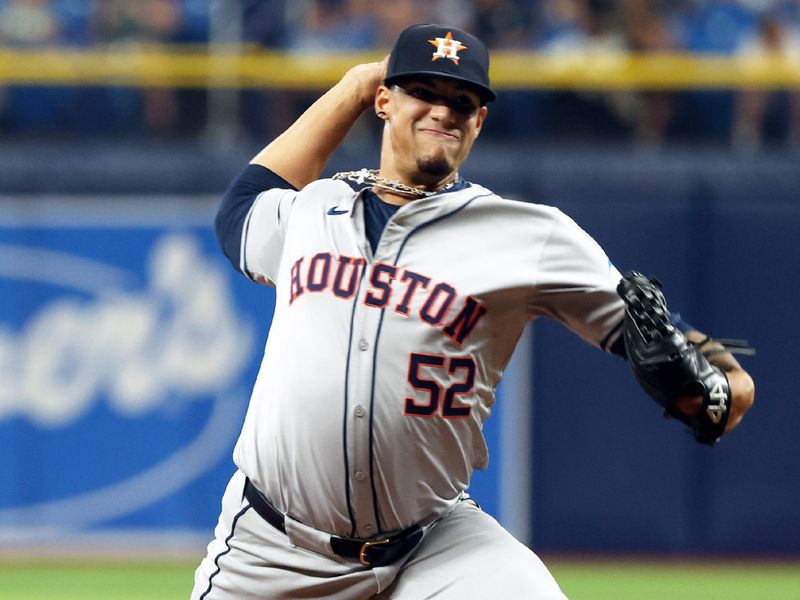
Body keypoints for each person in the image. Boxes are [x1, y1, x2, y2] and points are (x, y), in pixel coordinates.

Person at [192, 23, 755, 599]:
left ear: (479, 122)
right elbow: (240, 209)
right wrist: (355, 84)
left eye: (462, 102)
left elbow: (670, 339)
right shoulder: (315, 208)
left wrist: (725, 386)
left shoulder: (527, 234)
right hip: (273, 548)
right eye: (424, 93)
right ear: (385, 101)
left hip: (433, 545)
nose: (444, 111)